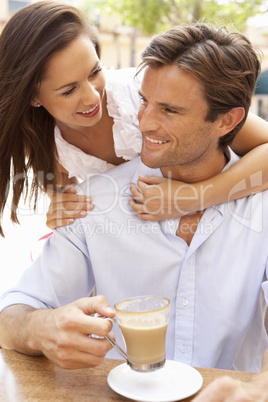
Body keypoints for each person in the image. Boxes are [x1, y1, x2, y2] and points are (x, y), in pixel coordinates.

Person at [0, 22, 268, 401]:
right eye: (144, 102)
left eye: (170, 110)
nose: (143, 122)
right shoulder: (90, 200)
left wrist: (194, 197)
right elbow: (11, 314)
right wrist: (40, 327)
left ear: (226, 121)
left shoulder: (259, 206)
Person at [1, 1, 268, 237]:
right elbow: (72, 208)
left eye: (95, 71)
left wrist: (194, 197)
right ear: (33, 98)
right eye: (69, 90)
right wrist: (61, 211)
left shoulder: (146, 91)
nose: (93, 97)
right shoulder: (46, 143)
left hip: (225, 228)